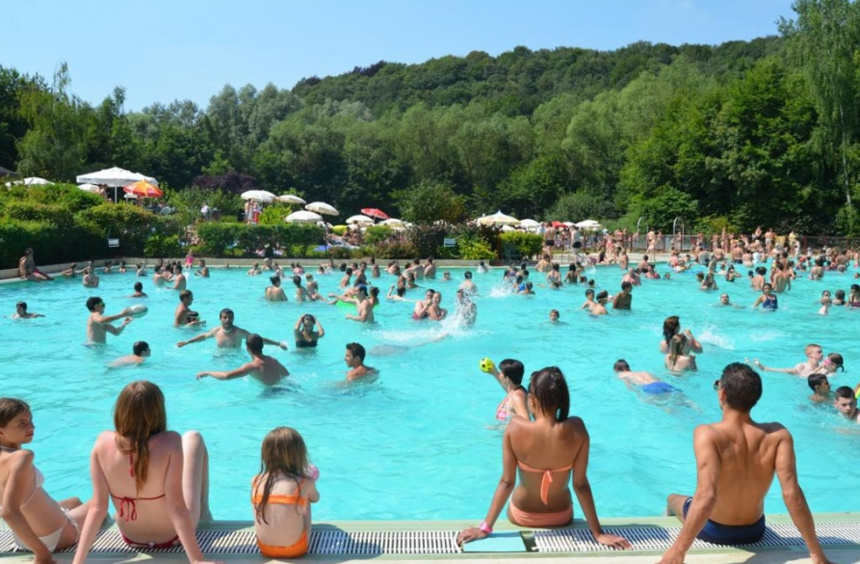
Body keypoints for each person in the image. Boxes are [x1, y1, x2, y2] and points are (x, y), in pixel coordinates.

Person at [658, 363, 834, 564]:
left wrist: (678, 552)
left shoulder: (707, 433)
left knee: (673, 498)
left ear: (722, 394)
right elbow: (792, 494)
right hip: (754, 531)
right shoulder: (778, 435)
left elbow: (707, 496)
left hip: (714, 530)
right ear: (756, 398)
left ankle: (669, 517)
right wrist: (817, 554)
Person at [457, 367, 630, 549]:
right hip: (561, 516)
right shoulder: (577, 428)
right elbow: (580, 485)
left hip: (521, 515)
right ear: (562, 401)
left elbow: (507, 482)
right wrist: (598, 533)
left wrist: (484, 529)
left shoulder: (515, 427)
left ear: (531, 400)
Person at [71, 381, 218, 564]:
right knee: (193, 437)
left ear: (120, 411)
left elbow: (97, 508)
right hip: (172, 536)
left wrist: (77, 562)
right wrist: (196, 559)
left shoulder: (102, 442)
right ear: (158, 412)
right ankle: (204, 514)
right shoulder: (171, 441)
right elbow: (176, 507)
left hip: (131, 536)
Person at [0, 398, 88, 561]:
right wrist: (42, 553)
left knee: (74, 501)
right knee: (98, 506)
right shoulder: (22, 457)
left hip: (23, 539)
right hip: (57, 537)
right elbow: (9, 512)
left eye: (30, 420)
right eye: (22, 424)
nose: (31, 427)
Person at [251, 427, 320, 559]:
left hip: (264, 548)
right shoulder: (304, 482)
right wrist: (308, 480)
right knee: (306, 498)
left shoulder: (256, 481)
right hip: (296, 549)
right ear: (299, 454)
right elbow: (316, 498)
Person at [197, 334, 289, 387]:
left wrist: (208, 373)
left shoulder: (251, 367)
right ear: (262, 346)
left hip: (269, 394)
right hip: (283, 389)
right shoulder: (273, 359)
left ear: (248, 349)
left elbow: (226, 376)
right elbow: (287, 375)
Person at [177, 309, 286, 349]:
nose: (227, 320)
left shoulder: (239, 332)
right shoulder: (216, 331)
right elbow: (203, 337)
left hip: (235, 360)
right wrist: (187, 342)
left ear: (233, 319)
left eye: (230, 317)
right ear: (220, 319)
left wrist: (277, 344)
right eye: (225, 317)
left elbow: (257, 339)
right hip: (219, 358)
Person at [753, 344, 823, 378]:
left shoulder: (823, 367)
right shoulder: (802, 366)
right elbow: (785, 371)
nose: (822, 354)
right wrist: (765, 368)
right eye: (819, 352)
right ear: (809, 354)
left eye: (822, 352)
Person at [613, 359, 677, 395]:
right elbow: (659, 379)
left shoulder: (622, 375)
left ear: (618, 370)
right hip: (662, 384)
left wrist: (639, 395)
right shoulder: (643, 372)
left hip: (649, 387)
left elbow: (630, 388)